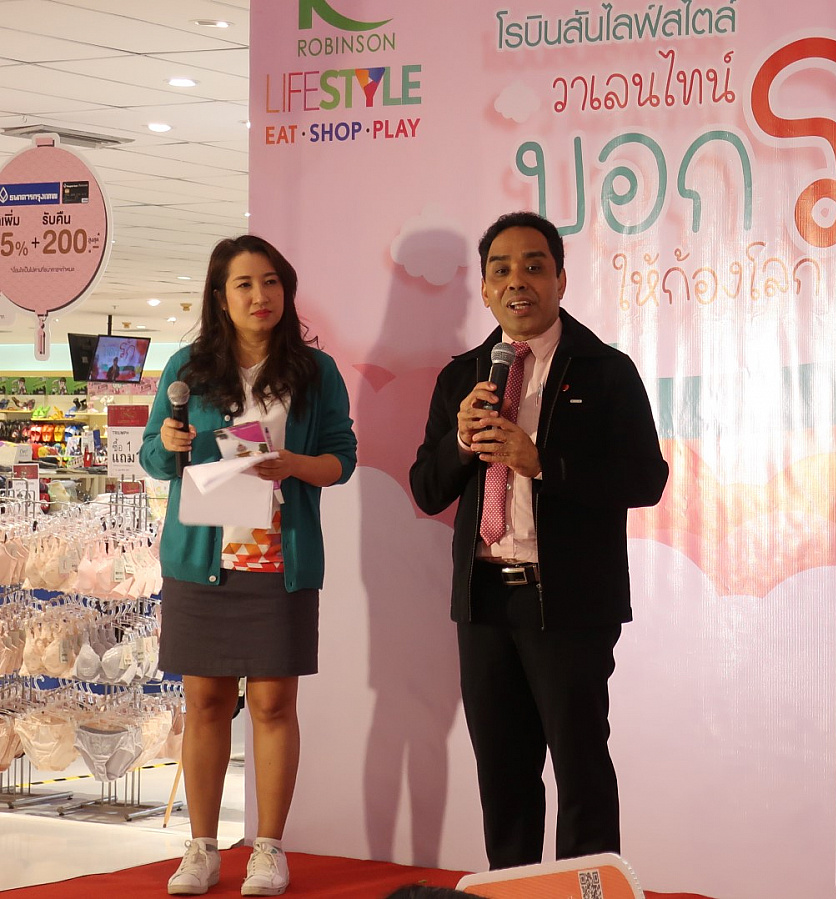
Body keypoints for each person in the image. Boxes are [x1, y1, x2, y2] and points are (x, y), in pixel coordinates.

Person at [409, 211, 668, 869]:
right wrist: (460, 443)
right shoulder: (464, 376)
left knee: (581, 769)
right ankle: (513, 886)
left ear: (560, 279)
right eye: (500, 270)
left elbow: (646, 478)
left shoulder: (606, 370)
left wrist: (542, 462)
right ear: (485, 288)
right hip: (483, 600)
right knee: (503, 775)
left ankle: (587, 889)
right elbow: (427, 489)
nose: (516, 281)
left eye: (533, 266)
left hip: (570, 602)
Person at [141, 235, 357, 897]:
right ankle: (202, 848)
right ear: (220, 295)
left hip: (278, 560)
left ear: (285, 291)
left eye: (271, 282)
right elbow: (155, 457)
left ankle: (268, 848)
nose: (260, 295)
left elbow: (341, 459)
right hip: (200, 559)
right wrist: (169, 442)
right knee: (204, 703)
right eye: (244, 284)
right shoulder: (187, 367)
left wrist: (293, 464)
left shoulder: (315, 372)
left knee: (272, 704)